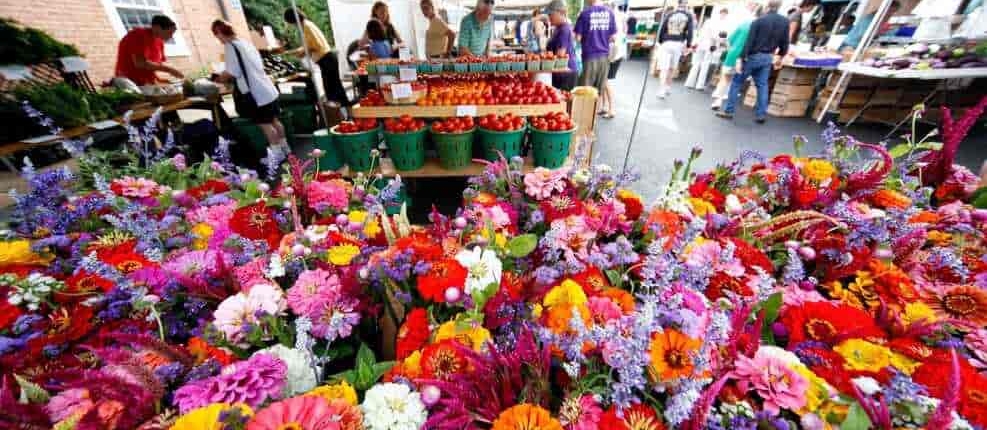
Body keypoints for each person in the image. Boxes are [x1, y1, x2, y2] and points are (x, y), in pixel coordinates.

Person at [210, 20, 289, 158]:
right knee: (275, 121)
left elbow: (233, 72)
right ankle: (285, 148)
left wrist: (219, 78)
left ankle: (277, 155)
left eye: (216, 35)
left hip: (255, 93)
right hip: (267, 89)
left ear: (220, 33)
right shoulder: (245, 43)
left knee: (265, 125)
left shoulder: (230, 46)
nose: (217, 39)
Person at [717, 0, 790, 123]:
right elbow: (785, 42)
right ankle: (761, 114)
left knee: (736, 82)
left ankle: (729, 111)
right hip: (768, 57)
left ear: (767, 6)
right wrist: (781, 55)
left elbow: (749, 42)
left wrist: (740, 58)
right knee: (762, 85)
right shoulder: (784, 22)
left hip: (753, 56)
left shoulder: (759, 21)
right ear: (780, 6)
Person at [283, 8, 351, 107]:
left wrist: (302, 52)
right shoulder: (306, 25)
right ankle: (345, 113)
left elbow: (316, 45)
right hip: (326, 59)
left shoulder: (306, 26)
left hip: (326, 59)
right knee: (334, 89)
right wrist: (296, 51)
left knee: (333, 91)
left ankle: (343, 114)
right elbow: (309, 45)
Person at [712, 3, 763, 110]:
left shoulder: (744, 24)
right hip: (745, 57)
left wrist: (729, 50)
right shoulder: (759, 28)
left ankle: (718, 101)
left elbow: (729, 41)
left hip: (732, 54)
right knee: (737, 82)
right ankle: (729, 107)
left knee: (725, 79)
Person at [114, 15, 184, 85]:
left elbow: (151, 67)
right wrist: (169, 70)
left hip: (146, 84)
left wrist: (158, 79)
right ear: (157, 27)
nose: (171, 36)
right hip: (129, 83)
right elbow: (140, 63)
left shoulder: (159, 42)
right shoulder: (138, 35)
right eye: (169, 32)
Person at [574, 0, 616, 94]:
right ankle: (596, 109)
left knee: (585, 92)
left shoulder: (585, 14)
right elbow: (613, 38)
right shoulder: (610, 13)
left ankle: (585, 109)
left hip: (590, 57)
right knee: (598, 92)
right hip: (604, 57)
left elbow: (578, 38)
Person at [654, 0, 694, 99]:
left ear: (678, 3)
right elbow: (690, 32)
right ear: (686, 5)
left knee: (664, 68)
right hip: (678, 43)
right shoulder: (688, 16)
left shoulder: (670, 14)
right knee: (672, 67)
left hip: (667, 42)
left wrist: (660, 41)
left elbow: (662, 28)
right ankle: (667, 87)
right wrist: (688, 45)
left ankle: (661, 90)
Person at [685, 6, 729, 91]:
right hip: (710, 45)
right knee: (705, 65)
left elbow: (701, 33)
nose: (724, 16)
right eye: (724, 14)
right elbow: (718, 37)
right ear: (722, 14)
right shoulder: (721, 24)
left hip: (701, 43)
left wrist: (695, 44)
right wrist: (719, 43)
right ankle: (699, 85)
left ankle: (689, 83)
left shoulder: (708, 21)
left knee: (697, 64)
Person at [601, 2, 627, 119]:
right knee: (603, 81)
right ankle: (604, 107)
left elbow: (613, 38)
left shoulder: (613, 19)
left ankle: (611, 108)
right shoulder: (617, 17)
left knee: (605, 81)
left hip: (613, 54)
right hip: (615, 53)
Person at [545, 0, 577, 91]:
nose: (549, 16)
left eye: (551, 14)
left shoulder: (564, 29)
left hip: (566, 74)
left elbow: (560, 54)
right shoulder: (558, 28)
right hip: (560, 72)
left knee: (564, 103)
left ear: (561, 12)